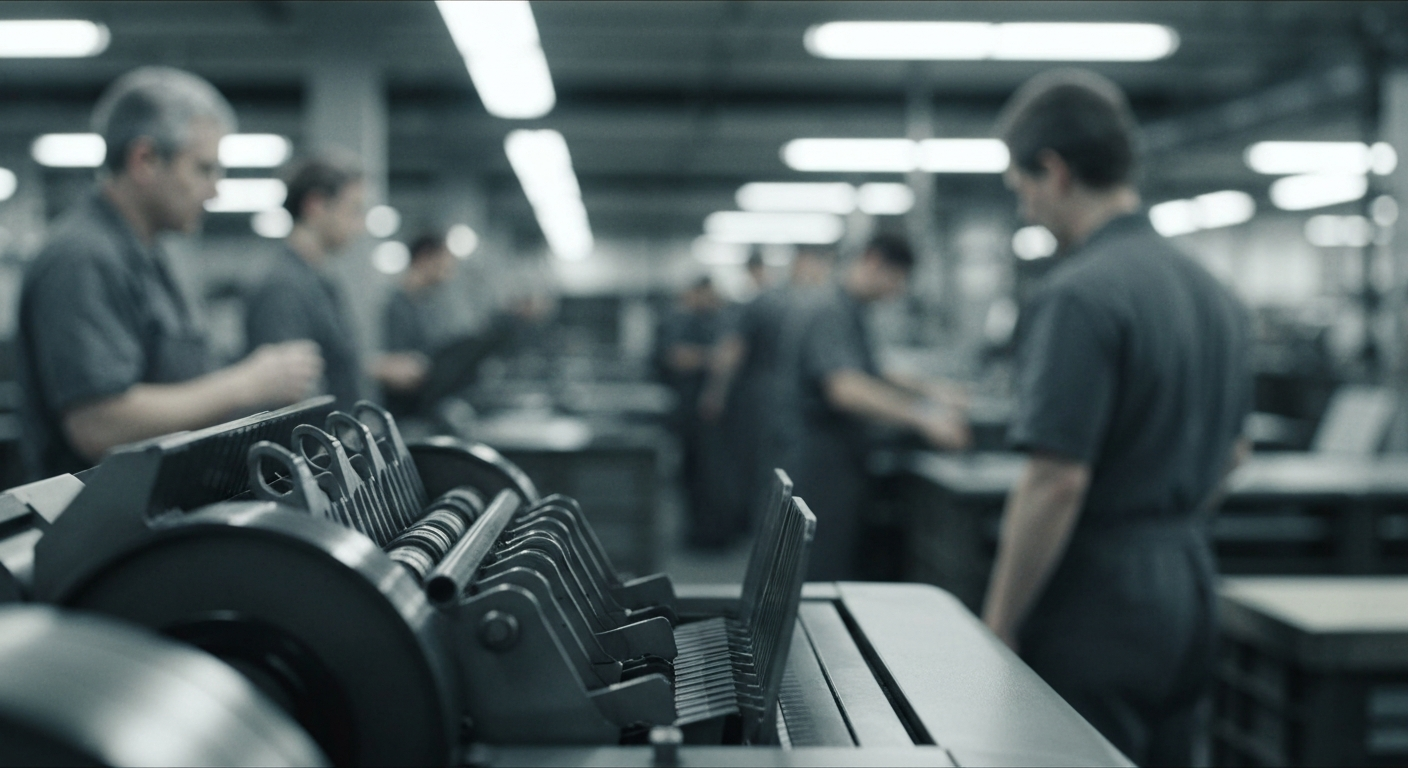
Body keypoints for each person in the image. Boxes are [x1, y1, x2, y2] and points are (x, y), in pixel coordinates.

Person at [980, 70, 1252, 767]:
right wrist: (1166, 529)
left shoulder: (1078, 295)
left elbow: (1055, 480)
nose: (1026, 210)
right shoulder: (1214, 292)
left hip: (1099, 595)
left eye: (1024, 189)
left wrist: (999, 624)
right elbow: (1234, 452)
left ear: (1054, 170)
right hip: (1189, 581)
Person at [16, 67, 323, 479]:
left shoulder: (148, 256)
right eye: (203, 169)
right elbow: (99, 425)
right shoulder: (83, 257)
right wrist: (245, 383)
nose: (215, 190)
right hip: (101, 534)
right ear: (145, 160)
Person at [778, 235, 970, 581]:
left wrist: (933, 391)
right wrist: (925, 417)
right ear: (872, 261)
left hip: (838, 455)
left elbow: (870, 372)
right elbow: (846, 389)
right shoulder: (830, 309)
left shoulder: (850, 309)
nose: (895, 292)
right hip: (822, 461)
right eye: (895, 280)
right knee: (822, 568)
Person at [245, 158, 426, 410]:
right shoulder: (284, 287)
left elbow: (326, 364)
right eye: (354, 210)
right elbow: (288, 397)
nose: (361, 226)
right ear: (316, 205)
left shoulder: (317, 280)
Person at [700, 248, 835, 531]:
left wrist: (715, 393)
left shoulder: (760, 304)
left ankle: (758, 527)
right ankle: (772, 527)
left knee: (757, 467)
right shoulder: (802, 305)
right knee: (777, 468)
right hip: (786, 401)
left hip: (757, 399)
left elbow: (731, 353)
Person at [655, 276, 734, 548]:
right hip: (688, 414)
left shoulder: (711, 320)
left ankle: (709, 535)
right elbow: (676, 357)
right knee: (693, 476)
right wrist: (711, 357)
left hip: (704, 415)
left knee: (708, 476)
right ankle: (699, 534)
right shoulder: (679, 320)